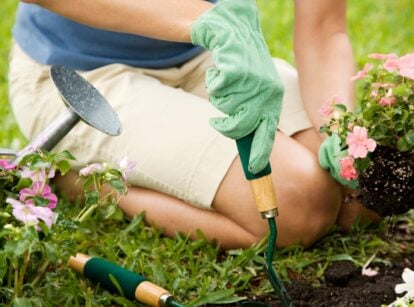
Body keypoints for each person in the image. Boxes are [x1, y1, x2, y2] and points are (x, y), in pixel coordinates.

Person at [9, 0, 378, 250]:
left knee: (359, 199)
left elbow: (324, 31)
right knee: (297, 207)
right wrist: (203, 20)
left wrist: (339, 130)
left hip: (204, 54)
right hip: (81, 76)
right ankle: (87, 184)